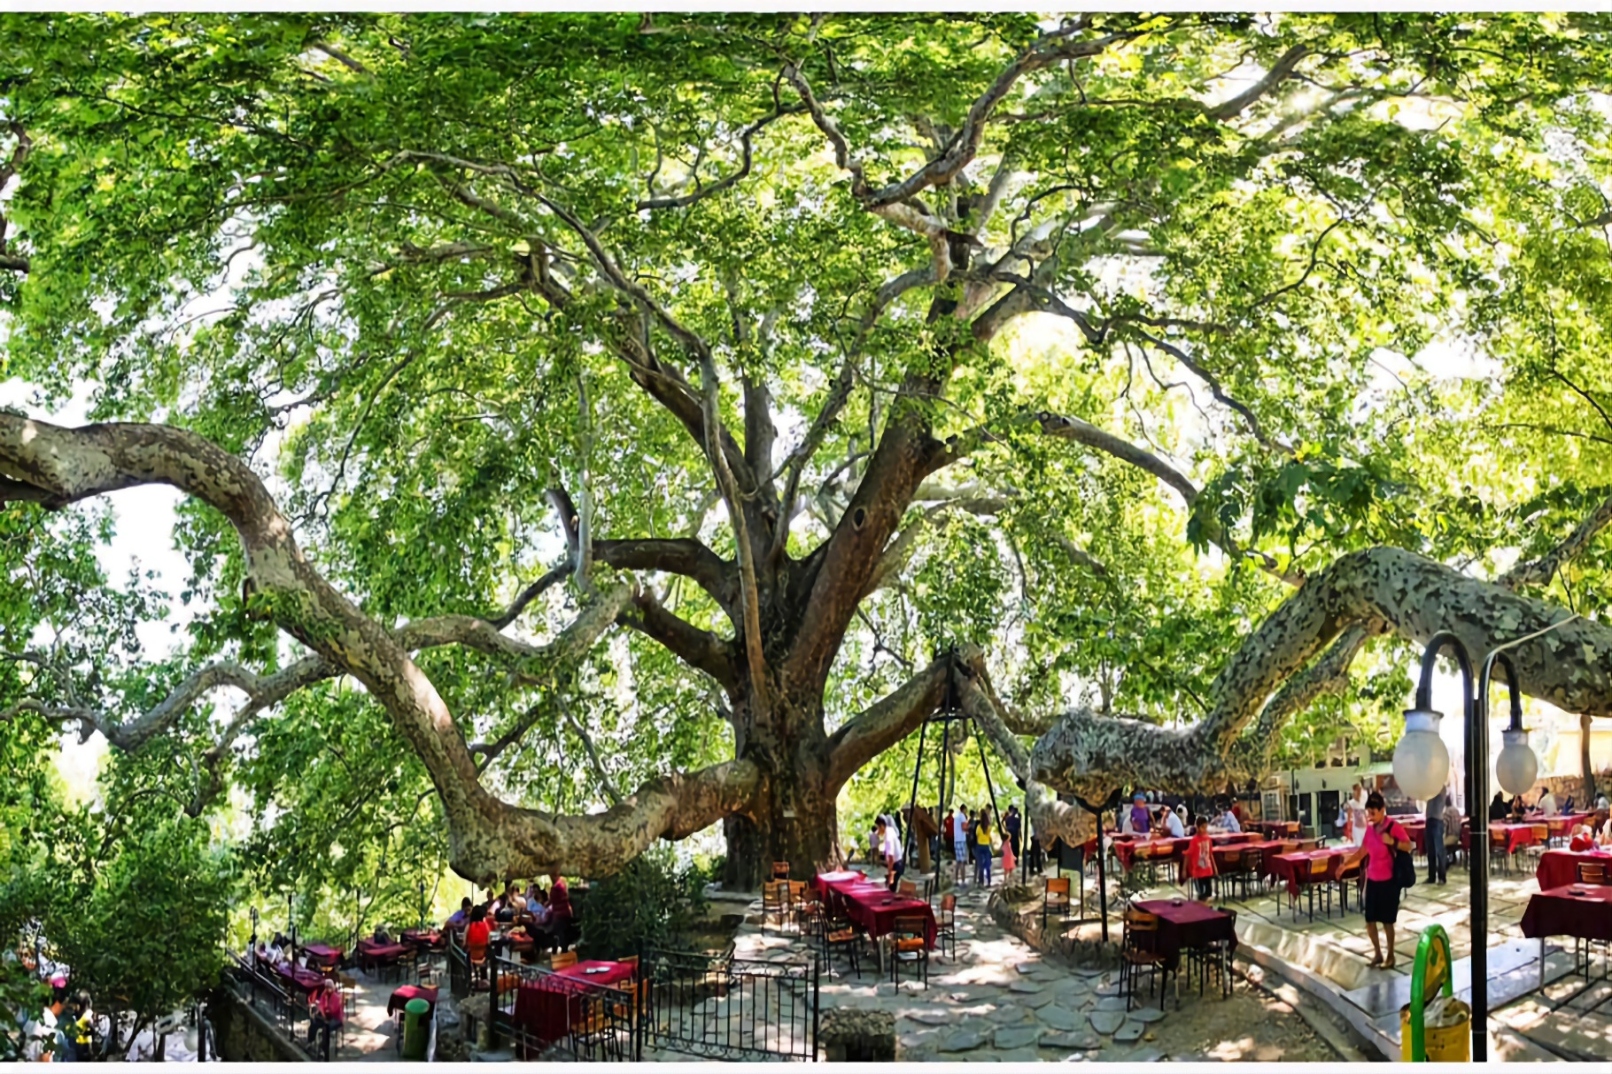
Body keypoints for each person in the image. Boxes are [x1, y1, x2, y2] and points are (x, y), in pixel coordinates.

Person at [1361, 792, 1412, 970]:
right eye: (1369, 813)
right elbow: (1363, 850)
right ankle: (1377, 953)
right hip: (1373, 879)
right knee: (1370, 920)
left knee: (1387, 921)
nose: (1370, 817)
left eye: (1373, 813)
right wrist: (1345, 865)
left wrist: (1392, 842)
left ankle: (1390, 955)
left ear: (1382, 810)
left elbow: (1409, 846)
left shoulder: (1393, 827)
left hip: (1389, 880)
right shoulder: (1370, 829)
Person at [306, 977, 344, 1060]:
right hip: (326, 1016)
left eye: (329, 987)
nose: (327, 989)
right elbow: (321, 1004)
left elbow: (333, 1010)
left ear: (333, 987)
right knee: (314, 1023)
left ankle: (323, 1050)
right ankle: (310, 1042)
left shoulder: (337, 997)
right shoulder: (324, 994)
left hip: (336, 1018)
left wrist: (325, 1010)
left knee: (325, 1030)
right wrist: (321, 1011)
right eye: (326, 987)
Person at [1186, 817, 1218, 902]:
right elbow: (1188, 854)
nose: (1204, 829)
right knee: (1200, 893)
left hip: (1207, 870)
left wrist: (1215, 867)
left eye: (1205, 827)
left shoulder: (1208, 839)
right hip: (1198, 871)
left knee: (1208, 892)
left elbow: (1210, 854)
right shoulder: (1194, 840)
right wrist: (1186, 869)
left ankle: (1204, 906)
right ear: (1197, 827)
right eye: (1202, 827)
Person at [1424, 786, 1448, 886]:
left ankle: (1442, 877)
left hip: (1437, 821)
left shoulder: (1441, 788)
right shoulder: (1431, 787)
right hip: (1429, 820)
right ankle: (1431, 876)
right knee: (1430, 851)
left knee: (1439, 850)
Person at [975, 808, 996, 886]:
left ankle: (981, 881)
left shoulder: (978, 827)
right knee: (987, 865)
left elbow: (977, 835)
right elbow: (990, 837)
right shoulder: (988, 828)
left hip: (979, 846)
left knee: (980, 865)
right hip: (986, 846)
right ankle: (989, 881)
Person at [1442, 796, 1463, 864]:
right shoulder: (1456, 810)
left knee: (1440, 844)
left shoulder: (1447, 812)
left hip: (1451, 837)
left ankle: (1444, 862)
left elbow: (1443, 826)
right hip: (1458, 836)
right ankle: (1453, 858)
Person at [952, 804, 969, 884]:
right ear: (964, 809)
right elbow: (964, 827)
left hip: (956, 840)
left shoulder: (956, 817)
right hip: (961, 840)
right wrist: (968, 829)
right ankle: (963, 880)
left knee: (958, 861)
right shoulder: (962, 816)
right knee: (962, 861)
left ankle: (956, 879)